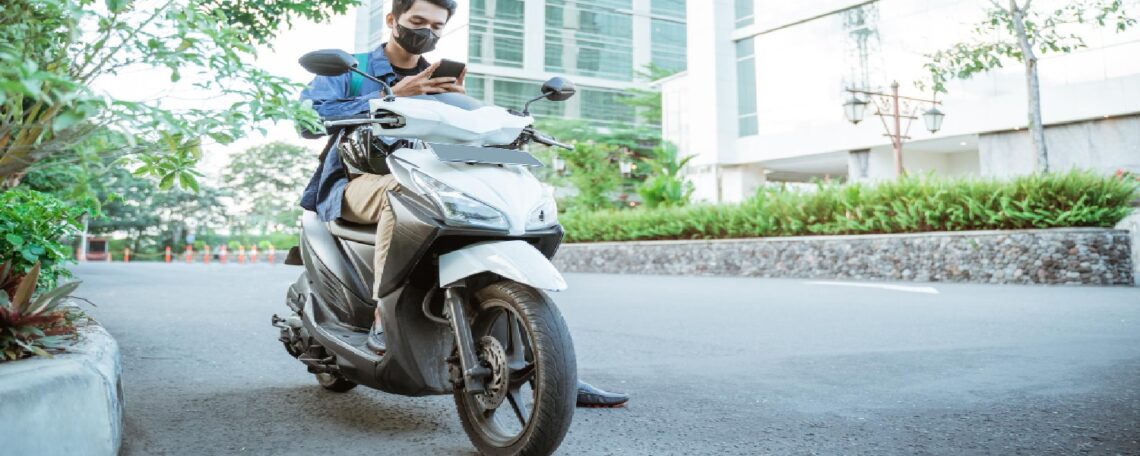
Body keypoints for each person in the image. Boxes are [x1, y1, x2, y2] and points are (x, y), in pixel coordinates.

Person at [299, 0, 628, 408]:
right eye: (417, 21)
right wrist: (391, 97)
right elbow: (308, 119)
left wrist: (462, 105)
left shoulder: (436, 78)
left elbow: (466, 133)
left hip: (429, 175)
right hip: (357, 181)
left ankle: (548, 365)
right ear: (392, 20)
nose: (426, 31)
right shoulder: (353, 69)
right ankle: (385, 319)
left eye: (436, 26)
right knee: (397, 195)